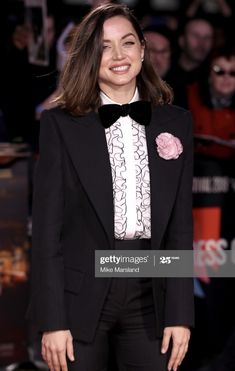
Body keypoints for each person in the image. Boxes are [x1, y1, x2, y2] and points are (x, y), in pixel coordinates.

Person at [28, 3, 194, 371]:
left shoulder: (177, 122)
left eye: (128, 43)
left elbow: (181, 229)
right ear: (89, 56)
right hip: (80, 296)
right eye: (104, 46)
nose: (119, 56)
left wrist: (181, 314)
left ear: (143, 50)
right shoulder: (60, 125)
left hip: (152, 294)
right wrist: (52, 321)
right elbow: (46, 233)